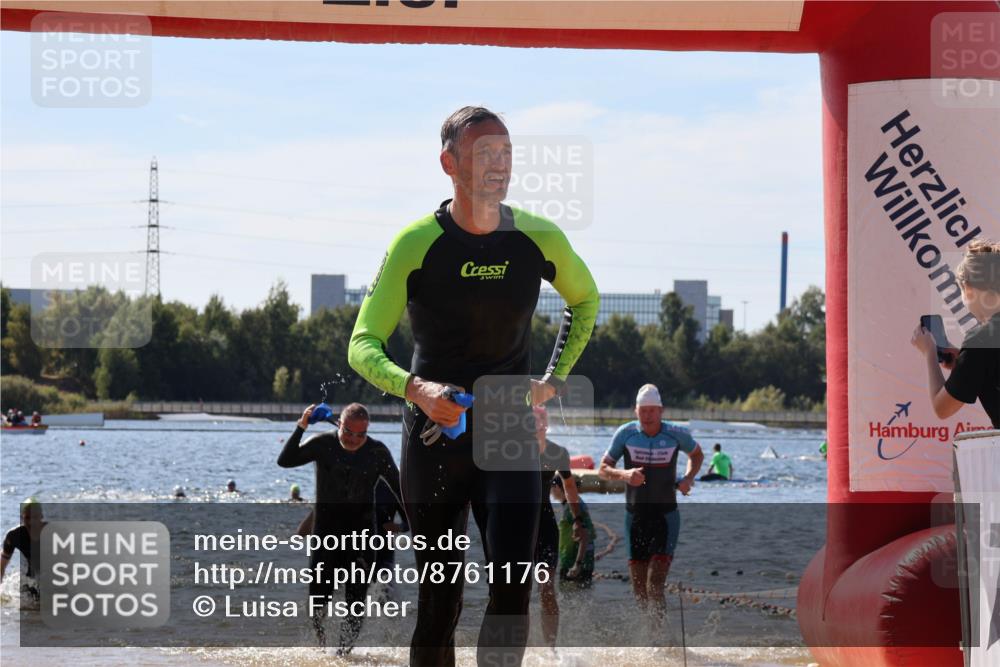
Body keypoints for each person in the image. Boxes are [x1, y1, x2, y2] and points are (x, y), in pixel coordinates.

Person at [348, 106, 599, 666]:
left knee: (512, 592)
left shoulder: (537, 235)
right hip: (435, 432)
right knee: (440, 599)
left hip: (510, 429)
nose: (499, 164)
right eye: (484, 152)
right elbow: (362, 343)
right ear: (449, 163)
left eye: (506, 153)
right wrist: (415, 389)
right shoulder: (416, 243)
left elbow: (586, 300)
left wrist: (552, 382)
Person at [277, 402, 402, 654]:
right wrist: (301, 426)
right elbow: (285, 460)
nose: (354, 439)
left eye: (361, 434)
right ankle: (323, 651)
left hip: (363, 541)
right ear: (339, 424)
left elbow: (402, 491)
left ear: (367, 431)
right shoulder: (323, 444)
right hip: (326, 540)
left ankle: (344, 655)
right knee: (317, 604)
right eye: (349, 432)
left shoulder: (377, 452)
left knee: (355, 606)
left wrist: (407, 525)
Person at [599, 383, 704, 621]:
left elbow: (697, 455)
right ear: (636, 411)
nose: (648, 416)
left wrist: (688, 478)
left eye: (652, 411)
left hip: (666, 518)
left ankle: (659, 640)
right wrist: (624, 475)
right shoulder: (626, 434)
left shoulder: (675, 434)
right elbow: (603, 469)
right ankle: (648, 638)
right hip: (634, 518)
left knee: (654, 584)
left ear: (661, 411)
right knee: (638, 589)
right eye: (643, 410)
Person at [911, 239, 1000, 428]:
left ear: (968, 289)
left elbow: (942, 408)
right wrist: (963, 362)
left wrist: (929, 352)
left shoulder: (981, 341)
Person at [532, 405, 586, 649]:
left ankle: (550, 650)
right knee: (513, 589)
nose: (534, 426)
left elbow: (570, 487)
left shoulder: (556, 453)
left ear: (546, 424)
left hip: (544, 526)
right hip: (514, 527)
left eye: (539, 422)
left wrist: (577, 519)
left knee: (546, 588)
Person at [550, 476, 596, 587]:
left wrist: (577, 564)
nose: (550, 492)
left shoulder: (571, 509)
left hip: (574, 564)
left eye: (551, 488)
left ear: (556, 487)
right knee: (579, 600)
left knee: (567, 598)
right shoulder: (576, 503)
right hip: (584, 562)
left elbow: (584, 537)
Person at [1, 498, 46, 601]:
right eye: (27, 518)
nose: (31, 522)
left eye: (35, 517)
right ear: (21, 518)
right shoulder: (14, 536)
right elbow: (2, 565)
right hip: (32, 577)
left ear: (41, 517)